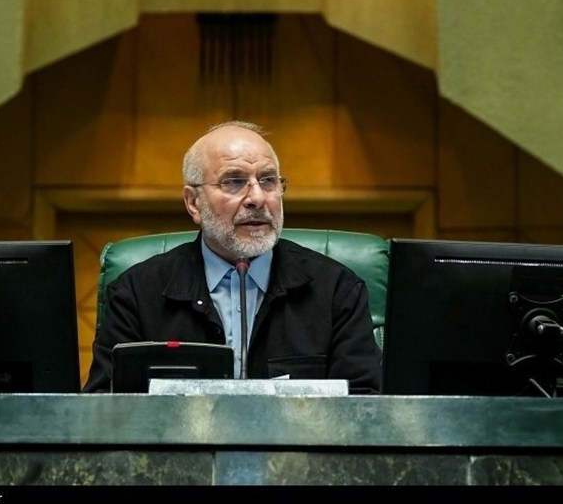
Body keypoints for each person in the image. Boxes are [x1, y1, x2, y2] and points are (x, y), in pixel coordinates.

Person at [83, 121, 382, 394]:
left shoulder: (337, 290)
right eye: (234, 181)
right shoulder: (136, 293)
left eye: (268, 181)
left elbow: (367, 407)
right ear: (193, 203)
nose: (257, 198)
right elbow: (103, 408)